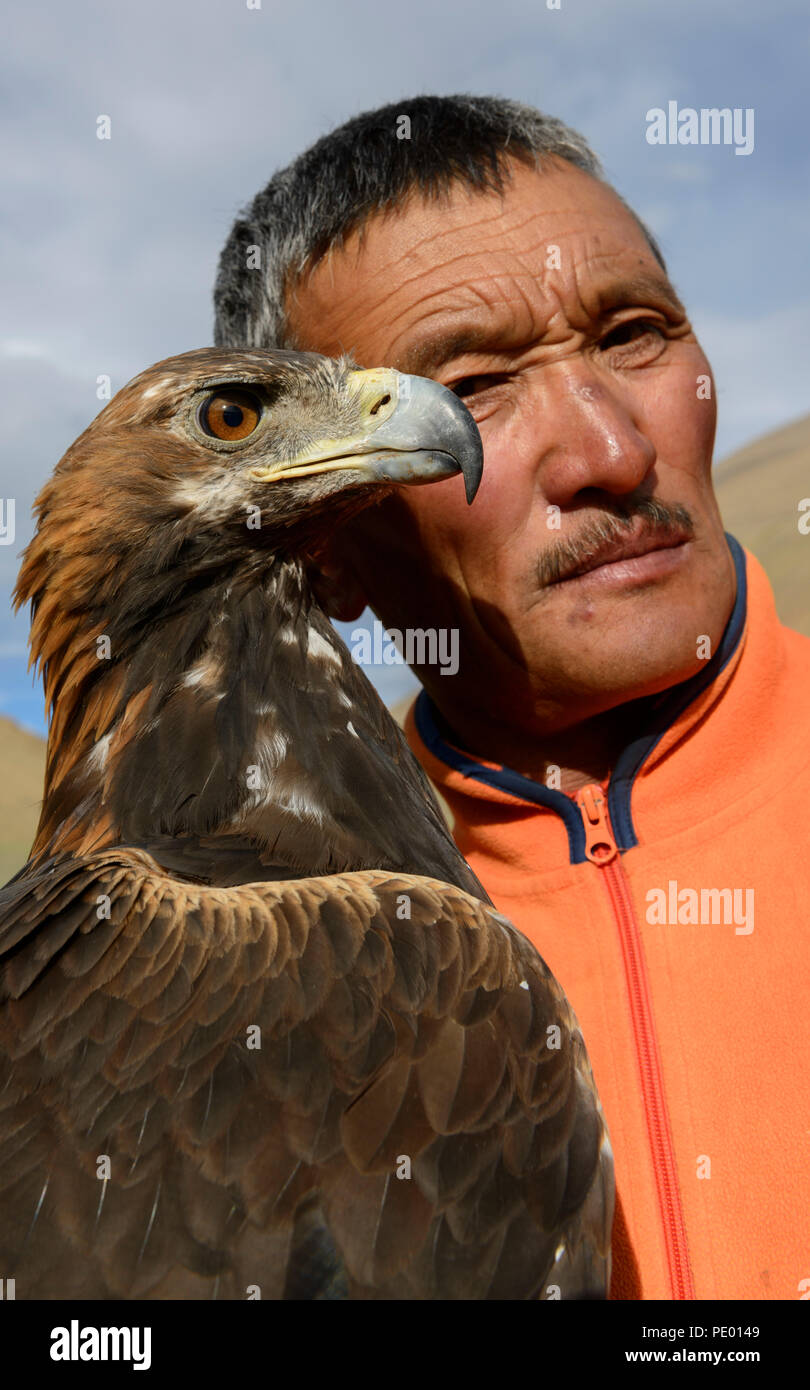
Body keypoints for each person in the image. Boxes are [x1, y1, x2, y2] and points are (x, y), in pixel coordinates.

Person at [213, 94, 810, 1300]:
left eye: (634, 334)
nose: (611, 454)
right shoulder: (244, 974)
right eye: (475, 386)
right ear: (324, 544)